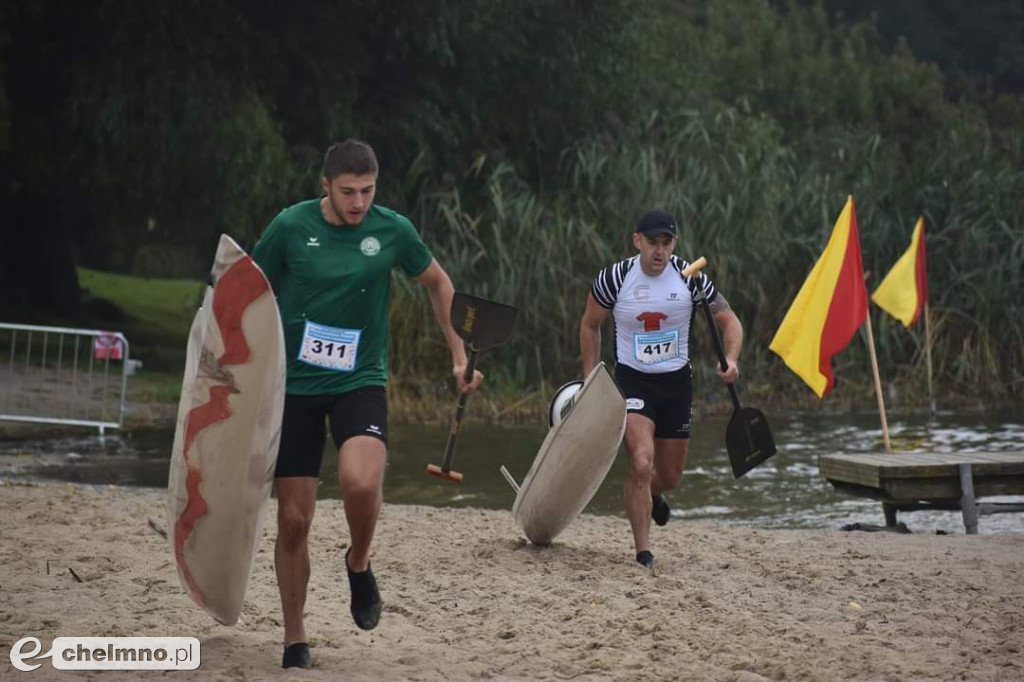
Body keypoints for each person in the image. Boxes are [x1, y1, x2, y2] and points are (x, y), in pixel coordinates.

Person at [251, 139, 483, 669]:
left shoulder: (392, 230)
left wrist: (458, 354)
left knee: (360, 482)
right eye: (348, 192)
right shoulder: (289, 227)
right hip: (294, 389)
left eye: (368, 191)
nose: (359, 203)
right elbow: (248, 288)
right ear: (325, 187)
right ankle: (294, 638)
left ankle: (358, 562)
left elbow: (438, 281)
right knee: (293, 520)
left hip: (360, 379)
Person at [579, 209, 742, 571]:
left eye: (666, 243)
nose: (659, 250)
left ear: (675, 244)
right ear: (637, 241)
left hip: (677, 385)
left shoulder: (690, 279)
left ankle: (653, 493)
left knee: (669, 477)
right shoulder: (615, 278)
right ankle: (643, 553)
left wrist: (731, 359)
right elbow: (590, 325)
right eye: (652, 242)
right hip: (633, 381)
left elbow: (729, 319)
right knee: (641, 462)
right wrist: (591, 377)